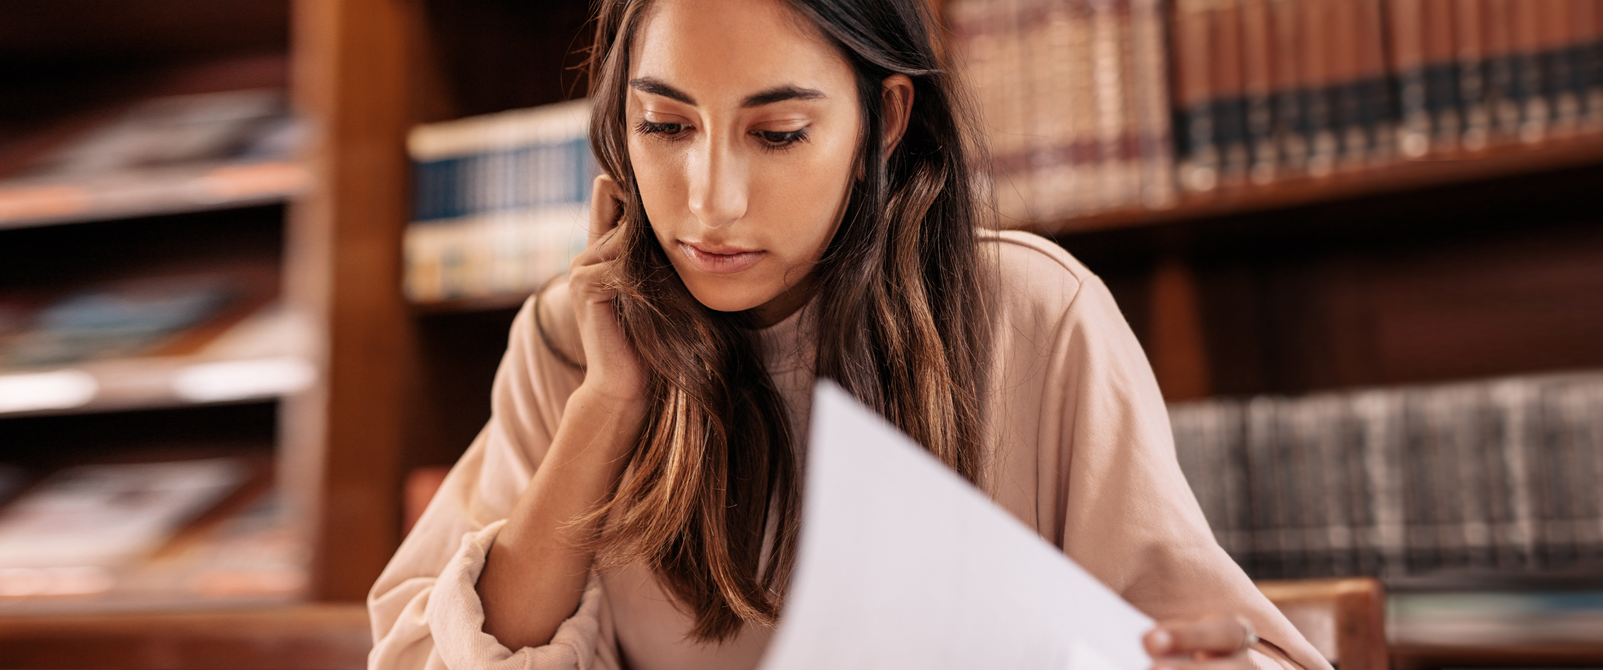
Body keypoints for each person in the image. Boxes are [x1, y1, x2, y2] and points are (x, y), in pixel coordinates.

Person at [369, 0, 1332, 669]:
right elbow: (426, 657)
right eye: (664, 126)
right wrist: (608, 407)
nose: (709, 202)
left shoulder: (1034, 319)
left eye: (778, 133)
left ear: (884, 121)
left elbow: (1222, 647)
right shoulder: (576, 339)